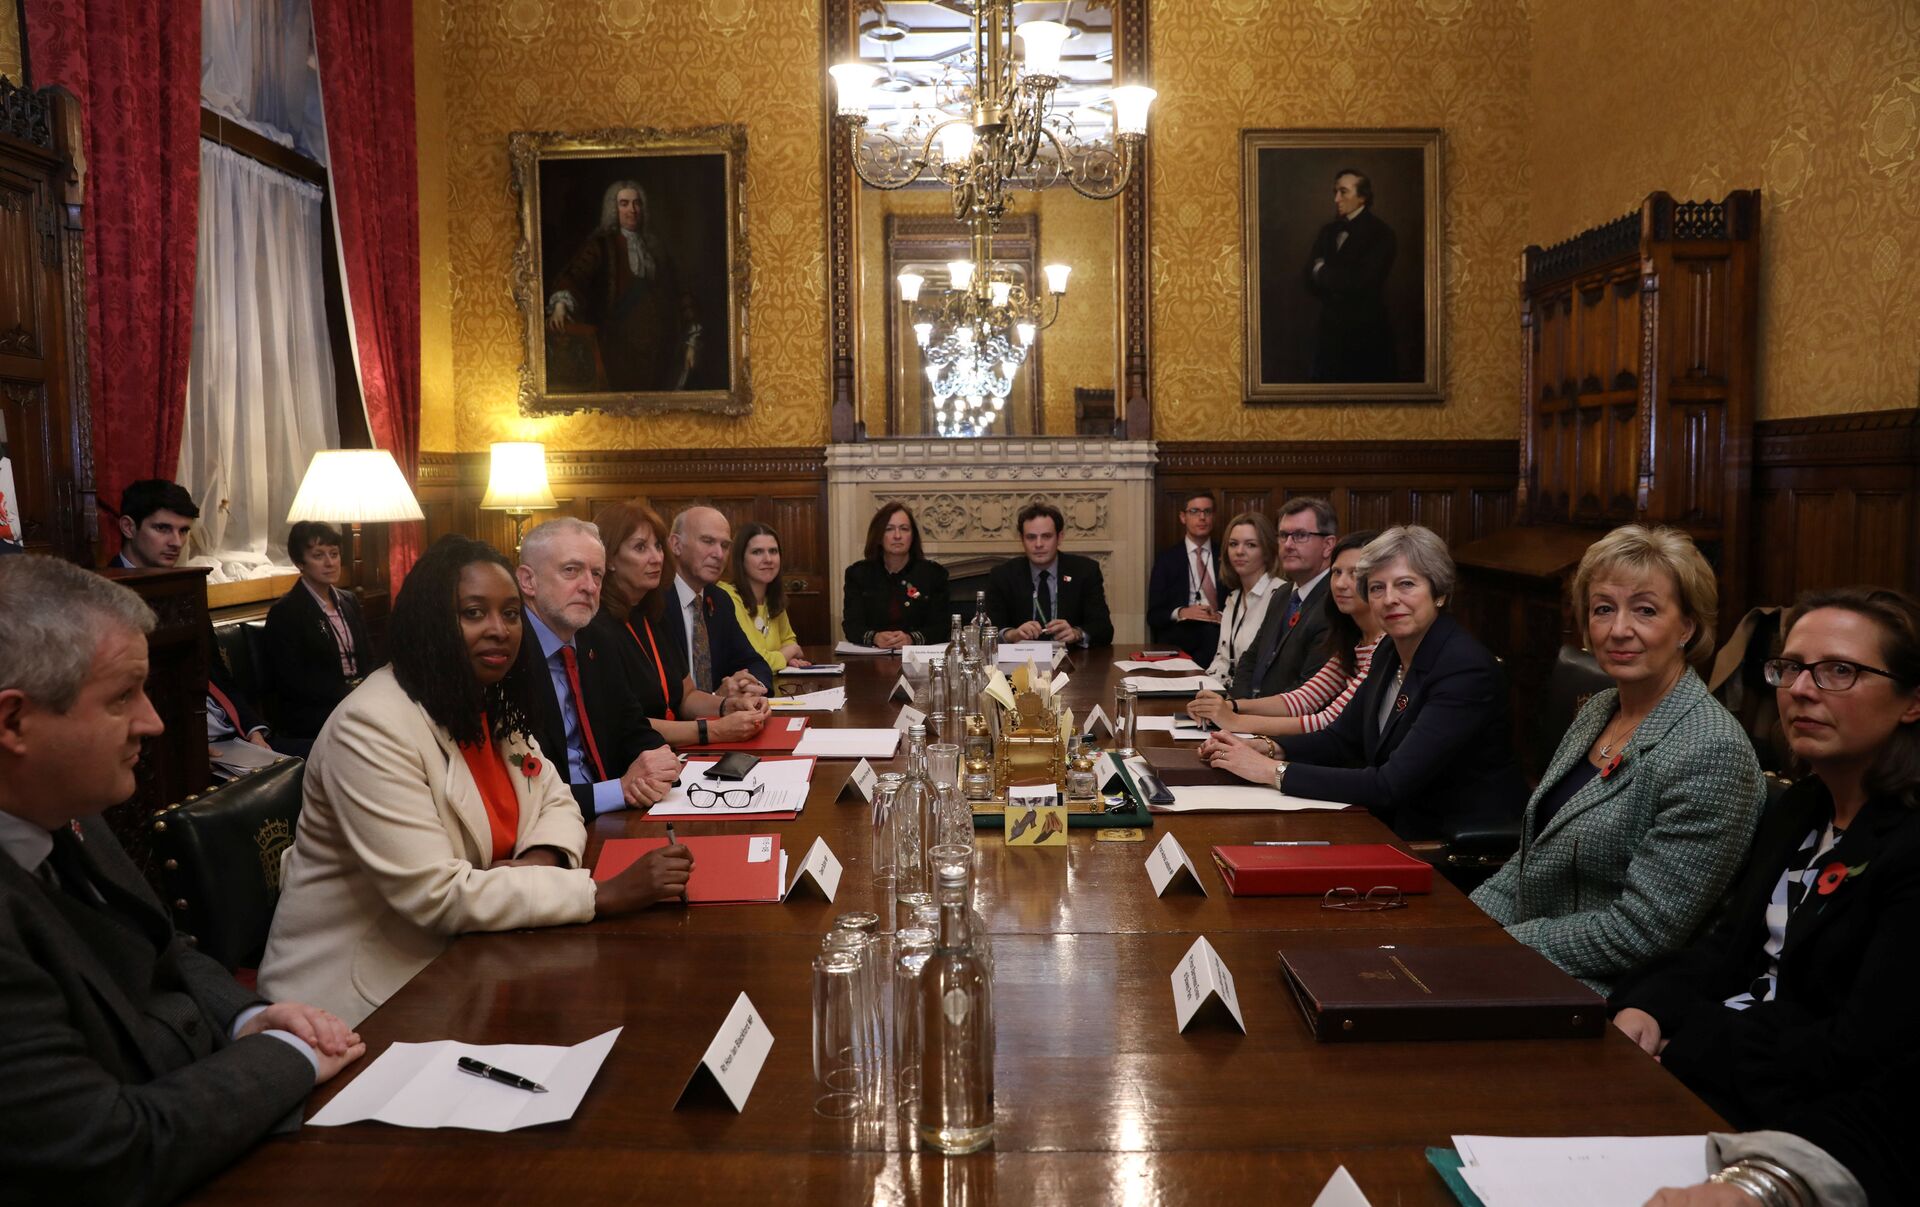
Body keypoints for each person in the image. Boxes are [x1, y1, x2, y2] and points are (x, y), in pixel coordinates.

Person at [0, 555, 364, 1202]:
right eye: (122, 697)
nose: (153, 721)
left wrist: (249, 1017)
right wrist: (291, 1056)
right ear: (13, 722)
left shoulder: (67, 805)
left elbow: (166, 950)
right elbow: (106, 1152)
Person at [258, 535, 696, 1027]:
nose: (499, 630)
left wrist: (537, 862)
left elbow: (557, 802)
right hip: (364, 999)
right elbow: (437, 896)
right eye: (473, 613)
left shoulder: (486, 701)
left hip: (478, 955)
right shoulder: (370, 725)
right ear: (430, 621)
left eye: (510, 614)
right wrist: (601, 894)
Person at [1608, 587, 1920, 1145]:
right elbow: (1727, 949)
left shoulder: (1908, 845)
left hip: (1809, 1124)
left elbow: (1859, 1049)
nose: (1800, 690)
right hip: (1716, 1069)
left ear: (1912, 702)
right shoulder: (1803, 805)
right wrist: (1648, 1009)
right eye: (1791, 667)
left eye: (1840, 671)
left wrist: (1694, 1045)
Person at [1470, 526, 1765, 993]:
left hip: (1612, 995)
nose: (1619, 629)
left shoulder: (1711, 750)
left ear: (1687, 627)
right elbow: (1528, 861)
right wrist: (1462, 930)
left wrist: (1499, 948)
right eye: (1603, 609)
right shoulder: (1598, 709)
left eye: (1645, 610)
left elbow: (1640, 933)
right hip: (1528, 961)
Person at [1201, 525, 1527, 840]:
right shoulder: (1389, 650)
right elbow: (1341, 737)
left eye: (1406, 584)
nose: (1389, 599)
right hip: (1387, 822)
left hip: (1445, 842)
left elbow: (1389, 784)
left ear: (1439, 593)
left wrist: (1271, 771)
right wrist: (1268, 747)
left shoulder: (1463, 669)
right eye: (1377, 588)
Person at [513, 517, 677, 819]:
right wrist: (620, 790)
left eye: (597, 574)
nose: (589, 587)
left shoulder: (597, 638)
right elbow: (523, 789)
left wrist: (659, 763)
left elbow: (633, 727)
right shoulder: (508, 655)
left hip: (617, 814)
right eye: (571, 570)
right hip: (547, 824)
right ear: (528, 581)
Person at [108, 478, 274, 761]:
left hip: (226, 733)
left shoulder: (186, 587)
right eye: (163, 528)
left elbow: (214, 669)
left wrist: (252, 729)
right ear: (128, 527)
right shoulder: (101, 595)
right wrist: (185, 742)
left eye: (184, 530)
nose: (176, 542)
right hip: (159, 747)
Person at [586, 499, 770, 748]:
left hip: (673, 751)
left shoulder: (652, 613)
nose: (656, 558)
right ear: (609, 558)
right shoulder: (595, 626)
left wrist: (729, 706)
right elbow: (624, 724)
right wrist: (714, 730)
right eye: (640, 548)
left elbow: (686, 696)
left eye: (657, 547)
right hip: (635, 759)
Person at [1191, 529, 1383, 739]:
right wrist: (1231, 706)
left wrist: (1234, 720)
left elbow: (1327, 721)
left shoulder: (1383, 645)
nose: (1340, 583)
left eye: (1354, 573)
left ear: (1379, 583)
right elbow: (1302, 699)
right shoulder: (1352, 639)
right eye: (1336, 572)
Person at [545, 179, 702, 393]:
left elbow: (681, 293)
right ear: (614, 209)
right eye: (624, 203)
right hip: (617, 350)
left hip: (660, 354)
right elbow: (575, 274)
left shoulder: (655, 249)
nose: (632, 210)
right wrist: (560, 305)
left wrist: (691, 340)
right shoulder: (602, 245)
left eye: (637, 203)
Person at [263, 520, 375, 744]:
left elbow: (368, 657)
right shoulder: (286, 611)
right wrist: (347, 694)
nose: (330, 563)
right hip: (313, 713)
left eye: (334, 554)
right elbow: (292, 681)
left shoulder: (349, 601)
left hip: (358, 701)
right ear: (299, 562)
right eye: (318, 556)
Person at [662, 506, 773, 695]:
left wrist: (751, 687)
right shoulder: (654, 602)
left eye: (725, 545)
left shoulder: (720, 600)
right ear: (676, 545)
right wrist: (716, 700)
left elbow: (753, 662)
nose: (719, 554)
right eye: (708, 541)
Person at [1238, 496, 1338, 699]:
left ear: (1328, 545)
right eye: (1283, 535)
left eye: (1300, 535)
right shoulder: (1283, 594)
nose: (1288, 544)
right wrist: (1236, 704)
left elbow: (1308, 691)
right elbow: (1251, 659)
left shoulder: (1335, 602)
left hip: (1290, 715)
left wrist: (1245, 711)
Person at [1304, 167, 1397, 383]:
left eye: (1343, 192)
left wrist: (1322, 271)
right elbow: (1307, 278)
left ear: (1362, 197)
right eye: (1335, 192)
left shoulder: (1381, 234)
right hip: (1329, 334)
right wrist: (1335, 279)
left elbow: (1360, 282)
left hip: (1365, 334)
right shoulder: (1328, 232)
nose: (1336, 199)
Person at [982, 502, 1113, 648]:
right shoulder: (1002, 575)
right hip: (1021, 658)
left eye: (1046, 536)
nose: (1039, 544)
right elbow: (987, 631)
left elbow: (1104, 629)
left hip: (1071, 658)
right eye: (1031, 537)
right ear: (1022, 539)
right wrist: (1013, 635)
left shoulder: (1084, 571)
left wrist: (1076, 633)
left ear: (1060, 537)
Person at [842, 503, 951, 649]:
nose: (897, 536)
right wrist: (875, 637)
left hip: (918, 656)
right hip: (872, 655)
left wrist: (911, 639)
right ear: (878, 536)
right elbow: (851, 626)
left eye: (904, 529)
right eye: (889, 529)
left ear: (912, 536)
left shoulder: (933, 574)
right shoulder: (858, 574)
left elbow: (942, 626)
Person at [1203, 511, 1280, 689]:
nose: (1239, 552)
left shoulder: (1280, 595)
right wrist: (1201, 688)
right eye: (1233, 544)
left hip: (1259, 698)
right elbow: (1222, 660)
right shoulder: (1233, 598)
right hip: (1227, 693)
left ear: (1267, 551)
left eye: (1251, 545)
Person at [720, 521, 811, 673]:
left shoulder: (772, 598)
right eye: (757, 552)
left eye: (773, 551)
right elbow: (754, 660)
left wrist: (786, 656)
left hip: (771, 682)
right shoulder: (727, 597)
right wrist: (787, 654)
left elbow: (789, 640)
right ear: (740, 559)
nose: (768, 559)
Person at [1146, 492, 1222, 662]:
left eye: (1207, 511)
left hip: (1220, 634)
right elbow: (1154, 616)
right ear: (1183, 517)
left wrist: (1221, 615)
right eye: (1194, 511)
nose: (1202, 517)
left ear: (1214, 517)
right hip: (1181, 637)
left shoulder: (1227, 555)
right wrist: (1182, 612)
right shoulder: (1166, 560)